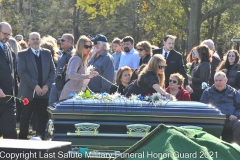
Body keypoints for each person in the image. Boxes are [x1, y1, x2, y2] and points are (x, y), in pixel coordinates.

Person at [17, 32, 55, 139]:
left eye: (37, 39)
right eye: (33, 39)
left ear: (40, 40)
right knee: (25, 117)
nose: (35, 41)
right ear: (29, 41)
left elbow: (53, 71)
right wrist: (35, 86)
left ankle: (40, 140)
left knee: (42, 118)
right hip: (29, 92)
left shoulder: (47, 53)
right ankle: (22, 142)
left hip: (44, 92)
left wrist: (47, 85)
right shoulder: (23, 54)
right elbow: (22, 72)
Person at [200, 71, 240, 145]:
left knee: (239, 124)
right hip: (214, 121)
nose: (218, 83)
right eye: (216, 80)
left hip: (230, 120)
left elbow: (239, 107)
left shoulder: (233, 92)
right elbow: (202, 108)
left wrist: (235, 115)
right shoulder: (207, 92)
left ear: (226, 80)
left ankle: (237, 150)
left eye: (220, 80)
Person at [59, 36, 98, 100]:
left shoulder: (82, 60)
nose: (89, 49)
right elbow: (71, 74)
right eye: (86, 47)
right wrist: (88, 76)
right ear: (80, 46)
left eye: (90, 47)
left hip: (76, 94)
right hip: (70, 94)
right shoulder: (76, 59)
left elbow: (81, 79)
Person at [0, 22, 17, 139]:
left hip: (9, 97)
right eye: (5, 34)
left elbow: (13, 72)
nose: (7, 37)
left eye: (9, 34)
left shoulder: (9, 48)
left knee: (10, 132)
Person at [48, 33, 74, 105]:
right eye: (60, 40)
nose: (61, 42)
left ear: (70, 42)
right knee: (51, 106)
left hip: (63, 87)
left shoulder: (72, 55)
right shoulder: (62, 53)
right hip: (57, 84)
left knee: (59, 107)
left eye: (63, 40)